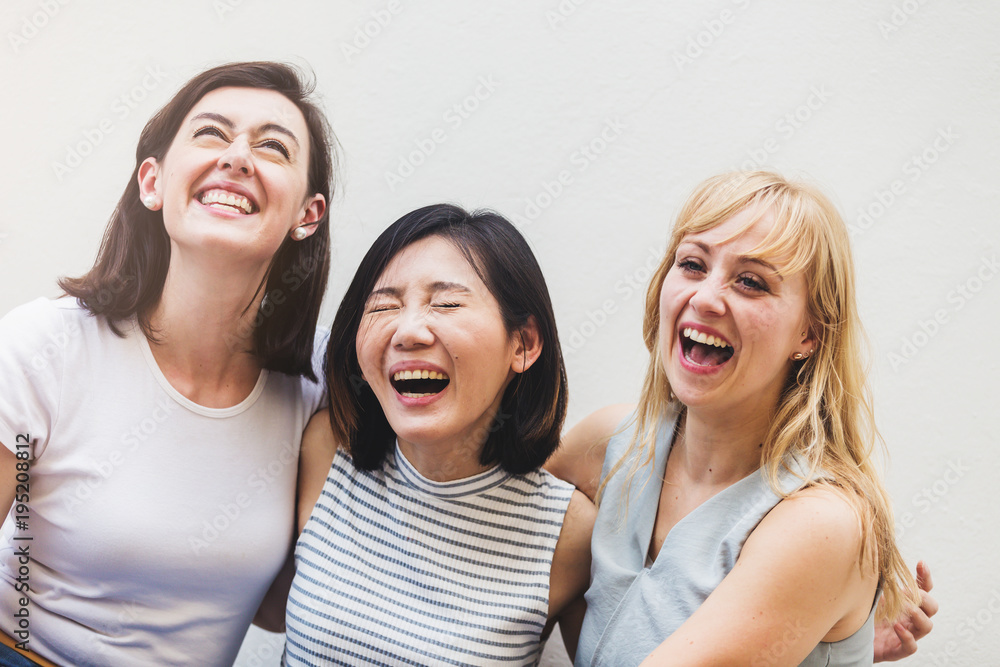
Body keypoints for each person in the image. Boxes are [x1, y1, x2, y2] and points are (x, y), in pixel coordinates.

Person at [0, 61, 336, 666]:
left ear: (305, 217)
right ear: (152, 183)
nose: (237, 158)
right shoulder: (43, 345)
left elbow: (282, 607)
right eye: (211, 133)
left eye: (273, 146)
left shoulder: (318, 388)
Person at [547, 171, 936, 666]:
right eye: (691, 264)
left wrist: (819, 620)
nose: (705, 298)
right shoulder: (609, 444)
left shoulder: (821, 522)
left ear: (809, 334)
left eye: (751, 282)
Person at [283, 204, 595, 666]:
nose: (407, 331)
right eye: (384, 306)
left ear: (524, 343)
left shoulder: (570, 533)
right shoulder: (328, 449)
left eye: (446, 303)